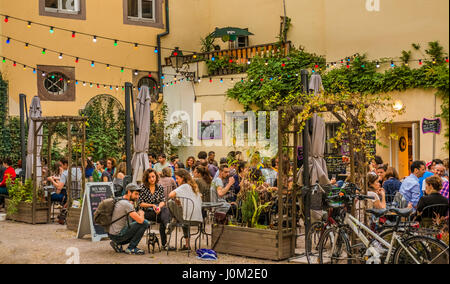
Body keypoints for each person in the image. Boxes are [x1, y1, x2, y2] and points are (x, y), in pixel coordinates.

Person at [108, 183, 149, 255]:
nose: (137, 197)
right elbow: (140, 220)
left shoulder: (120, 199)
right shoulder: (127, 204)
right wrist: (142, 213)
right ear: (129, 192)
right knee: (145, 223)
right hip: (118, 236)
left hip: (112, 234)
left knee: (134, 222)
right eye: (136, 194)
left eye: (138, 194)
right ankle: (131, 248)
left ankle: (116, 243)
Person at [168, 169, 203, 251]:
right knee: (184, 214)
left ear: (183, 178)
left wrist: (175, 200)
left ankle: (174, 220)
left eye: (177, 178)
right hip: (198, 219)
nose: (176, 181)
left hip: (187, 219)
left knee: (170, 202)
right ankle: (187, 245)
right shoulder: (194, 187)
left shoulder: (184, 186)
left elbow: (170, 195)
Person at [138, 168, 170, 249]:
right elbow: (140, 203)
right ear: (146, 178)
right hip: (146, 212)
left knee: (164, 210)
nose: (152, 179)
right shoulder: (142, 187)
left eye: (153, 176)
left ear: (156, 177)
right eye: (149, 177)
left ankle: (167, 227)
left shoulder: (159, 187)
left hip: (157, 211)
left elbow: (163, 201)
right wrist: (152, 205)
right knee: (164, 216)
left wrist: (158, 207)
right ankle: (165, 242)